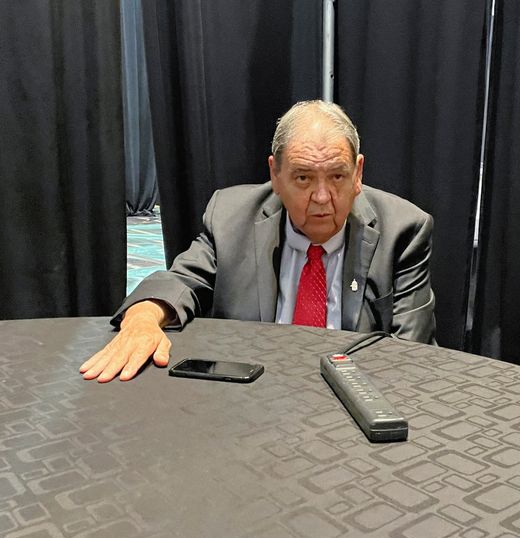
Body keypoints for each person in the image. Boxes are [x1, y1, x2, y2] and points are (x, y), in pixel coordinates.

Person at [80, 100, 436, 383]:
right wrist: (143, 319)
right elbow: (182, 281)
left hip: (352, 399)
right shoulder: (231, 216)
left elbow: (410, 355)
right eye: (303, 177)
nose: (323, 196)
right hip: (254, 398)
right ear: (275, 175)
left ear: (358, 174)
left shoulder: (403, 230)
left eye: (338, 176)